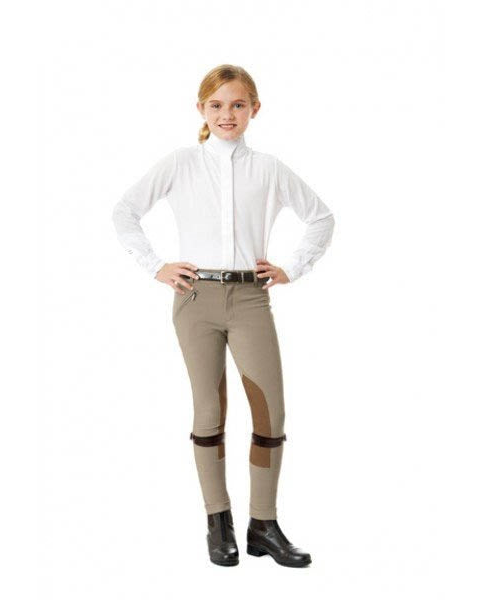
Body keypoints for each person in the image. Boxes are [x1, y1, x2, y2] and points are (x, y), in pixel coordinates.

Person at [112, 64, 335, 568]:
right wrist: (156, 265)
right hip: (196, 299)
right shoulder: (180, 164)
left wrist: (293, 267)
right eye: (216, 105)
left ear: (255, 109)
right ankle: (218, 522)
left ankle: (264, 525)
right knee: (209, 411)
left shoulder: (269, 169)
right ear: (201, 110)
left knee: (271, 413)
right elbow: (124, 212)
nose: (227, 114)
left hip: (251, 298)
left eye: (237, 105)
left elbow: (321, 218)